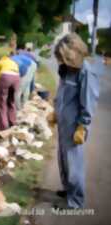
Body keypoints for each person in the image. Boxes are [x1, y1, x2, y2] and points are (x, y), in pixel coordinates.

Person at [48, 33, 100, 209]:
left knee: (73, 162)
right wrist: (55, 112)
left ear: (72, 55)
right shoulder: (67, 70)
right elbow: (61, 94)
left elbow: (89, 102)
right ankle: (68, 189)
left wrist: (82, 126)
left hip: (75, 126)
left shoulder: (86, 72)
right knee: (63, 159)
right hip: (64, 123)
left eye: (62, 58)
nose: (60, 61)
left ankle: (76, 201)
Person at [0, 56, 20, 130]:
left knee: (2, 102)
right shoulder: (13, 63)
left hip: (6, 77)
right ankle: (12, 122)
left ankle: (3, 126)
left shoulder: (0, 63)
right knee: (11, 101)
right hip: (16, 78)